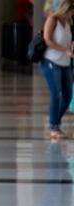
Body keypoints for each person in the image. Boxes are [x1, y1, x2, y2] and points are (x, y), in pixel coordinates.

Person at [42, 0, 74, 139]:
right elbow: (47, 40)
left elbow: (66, 41)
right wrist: (65, 50)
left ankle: (55, 121)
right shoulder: (52, 19)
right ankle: (54, 126)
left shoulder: (68, 22)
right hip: (51, 61)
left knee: (67, 97)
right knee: (56, 93)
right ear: (66, 9)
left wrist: (70, 47)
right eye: (72, 11)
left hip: (65, 63)